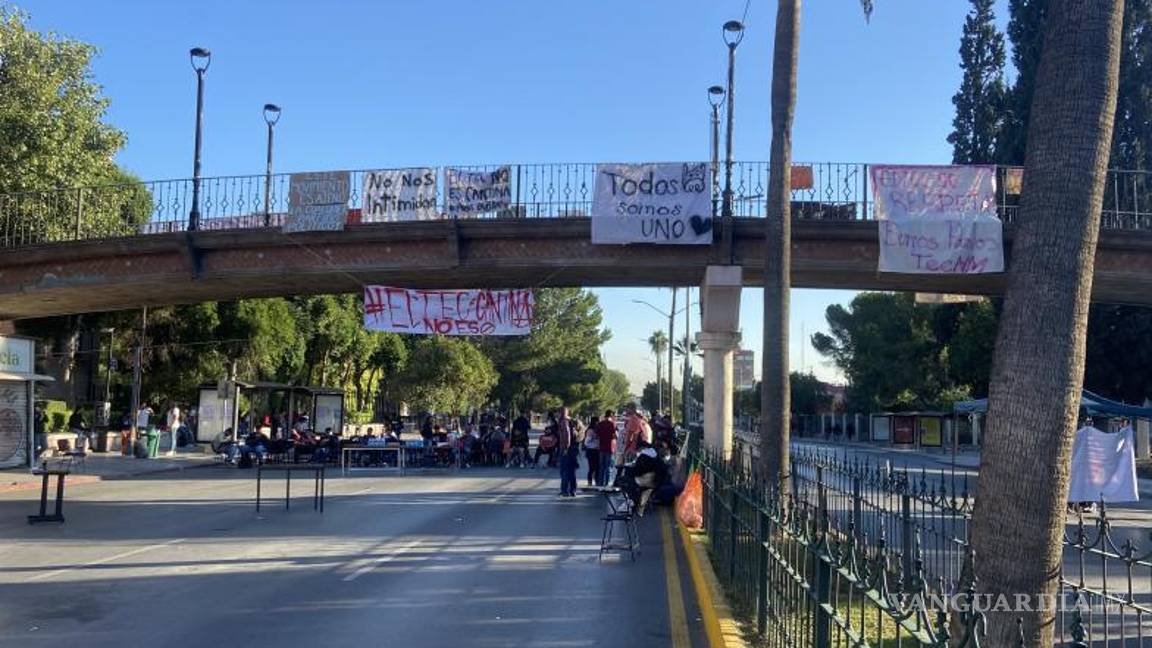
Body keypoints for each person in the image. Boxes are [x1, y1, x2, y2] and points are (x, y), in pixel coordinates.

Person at [557, 407, 578, 497]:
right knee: (571, 471)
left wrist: (565, 448)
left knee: (564, 470)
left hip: (566, 448)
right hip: (573, 448)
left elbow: (567, 434)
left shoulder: (563, 421)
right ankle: (573, 490)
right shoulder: (571, 421)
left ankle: (565, 490)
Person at [595, 410, 618, 487]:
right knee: (608, 466)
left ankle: (600, 483)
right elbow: (615, 435)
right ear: (611, 416)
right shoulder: (612, 424)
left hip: (602, 447)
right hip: (610, 447)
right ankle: (607, 483)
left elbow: (597, 435)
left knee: (601, 466)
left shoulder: (600, 424)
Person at [583, 415, 601, 486]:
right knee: (591, 467)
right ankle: (590, 482)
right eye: (597, 422)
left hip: (597, 451)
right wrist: (593, 438)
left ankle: (597, 481)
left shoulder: (597, 430)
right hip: (591, 450)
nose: (597, 423)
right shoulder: (590, 430)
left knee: (597, 468)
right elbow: (586, 442)